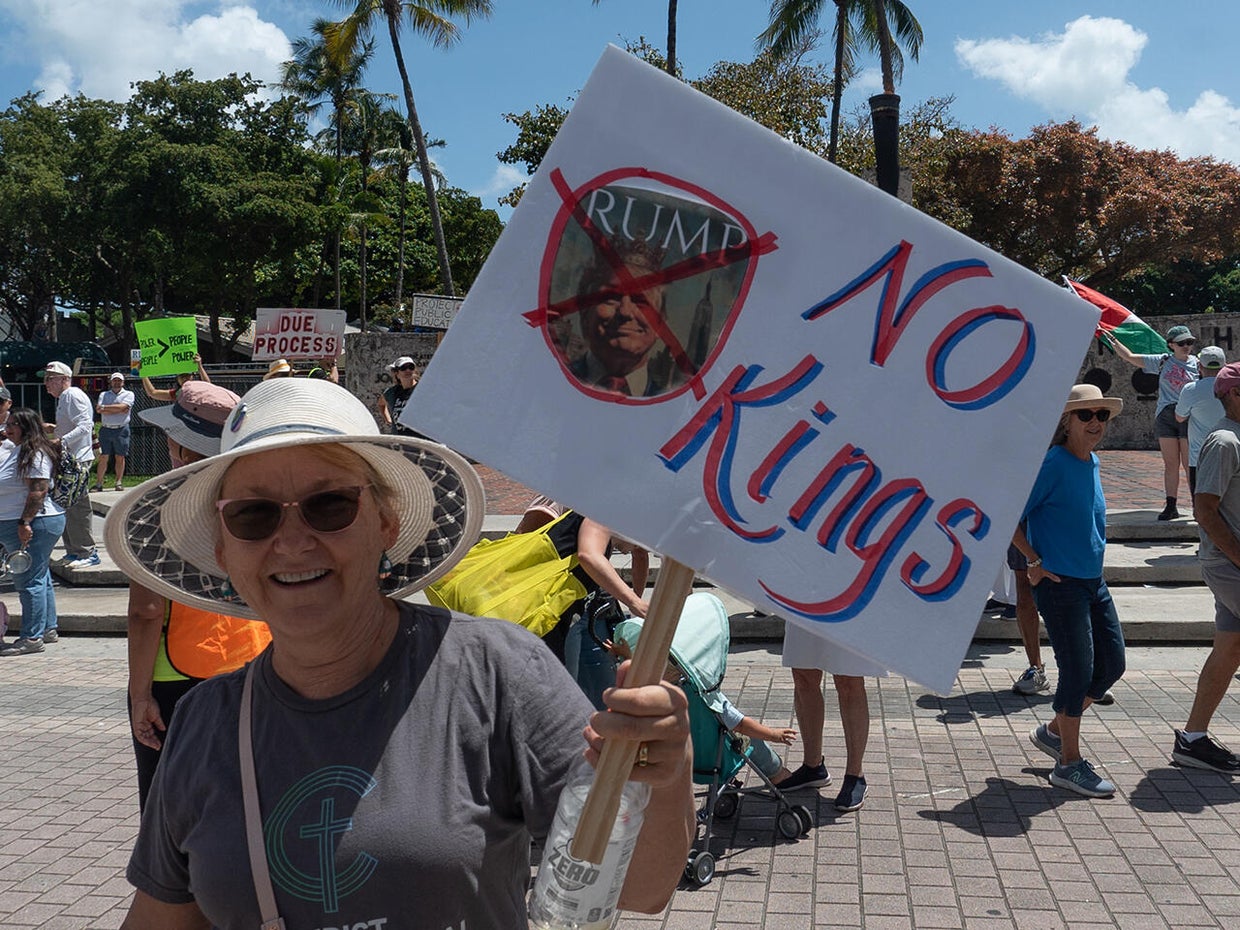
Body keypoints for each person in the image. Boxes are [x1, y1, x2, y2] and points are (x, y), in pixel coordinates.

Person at [104, 378, 694, 929]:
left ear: (386, 523)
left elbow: (640, 887)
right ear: (223, 550)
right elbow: (161, 917)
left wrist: (665, 767)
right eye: (252, 514)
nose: (293, 541)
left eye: (329, 504)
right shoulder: (204, 721)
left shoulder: (496, 671)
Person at [125, 381, 272, 809]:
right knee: (243, 796)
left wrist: (139, 695)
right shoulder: (259, 501)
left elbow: (147, 610)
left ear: (183, 446)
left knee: (171, 806)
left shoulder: (157, 510)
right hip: (255, 661)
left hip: (176, 674)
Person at [1015, 383, 1127, 798]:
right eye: (1086, 415)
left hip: (1093, 582)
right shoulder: (1053, 463)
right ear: (1067, 422)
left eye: (1102, 415)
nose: (1095, 422)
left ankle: (1053, 732)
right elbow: (1010, 515)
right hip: (1060, 585)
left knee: (1111, 665)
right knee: (1077, 672)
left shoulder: (1092, 461)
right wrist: (1033, 562)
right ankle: (1068, 763)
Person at [1173, 361, 1240, 773]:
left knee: (1230, 648)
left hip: (1231, 562)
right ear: (1233, 394)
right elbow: (1204, 509)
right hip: (1229, 563)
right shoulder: (1224, 441)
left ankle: (1192, 739)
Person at [561, 237, 687, 398]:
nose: (625, 312)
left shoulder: (673, 406)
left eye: (641, 301)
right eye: (611, 297)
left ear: (661, 322)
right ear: (585, 312)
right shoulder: (548, 381)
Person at [1104, 325, 1199, 519]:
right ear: (1171, 345)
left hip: (1189, 415)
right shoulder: (1163, 361)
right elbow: (1130, 357)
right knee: (1171, 463)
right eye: (1181, 343)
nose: (1186, 346)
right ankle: (1171, 505)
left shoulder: (1198, 363)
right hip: (1166, 415)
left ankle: (1197, 505)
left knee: (1189, 463)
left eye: (1189, 342)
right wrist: (1113, 340)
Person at [782, 631, 881, 812]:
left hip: (848, 615)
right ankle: (813, 766)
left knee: (848, 679)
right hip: (806, 612)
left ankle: (855, 774)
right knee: (803, 675)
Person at [0, 408, 67, 656]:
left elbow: (39, 490)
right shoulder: (19, 450)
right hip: (23, 522)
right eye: (7, 424)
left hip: (34, 523)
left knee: (29, 581)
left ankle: (31, 638)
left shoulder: (35, 453)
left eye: (12, 425)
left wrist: (25, 522)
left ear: (26, 427)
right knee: (39, 576)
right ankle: (47, 628)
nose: (7, 429)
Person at [43, 361, 98, 568]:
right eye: (46, 379)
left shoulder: (71, 395)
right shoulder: (66, 398)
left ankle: (86, 552)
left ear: (65, 379)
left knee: (77, 506)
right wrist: (56, 429)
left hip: (76, 461)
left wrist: (61, 441)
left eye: (51, 378)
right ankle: (75, 551)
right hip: (70, 460)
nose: (47, 383)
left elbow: (85, 425)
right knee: (66, 505)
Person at [1176, 345, 1227, 496]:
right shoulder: (1233, 388)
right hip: (1230, 453)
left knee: (1201, 503)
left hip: (1199, 456)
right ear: (1224, 365)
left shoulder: (1191, 389)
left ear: (1200, 366)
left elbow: (1179, 417)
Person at [95, 372, 135, 492]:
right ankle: (99, 483)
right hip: (106, 428)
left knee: (120, 456)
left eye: (119, 381)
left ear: (123, 382)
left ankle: (118, 482)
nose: (117, 383)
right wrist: (118, 408)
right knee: (103, 456)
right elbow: (99, 409)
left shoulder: (129, 394)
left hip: (121, 429)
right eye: (115, 380)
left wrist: (106, 408)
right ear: (111, 382)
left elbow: (124, 407)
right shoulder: (104, 394)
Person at [141, 354, 211, 402]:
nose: (184, 379)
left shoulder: (199, 390)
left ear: (192, 376)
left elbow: (208, 385)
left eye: (187, 375)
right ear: (177, 379)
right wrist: (143, 373)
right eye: (182, 376)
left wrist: (200, 367)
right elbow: (152, 393)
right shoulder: (177, 394)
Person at [377, 355, 419, 434]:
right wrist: (387, 419)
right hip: (400, 438)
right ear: (396, 373)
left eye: (411, 367)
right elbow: (381, 403)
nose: (408, 370)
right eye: (403, 368)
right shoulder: (392, 392)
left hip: (420, 439)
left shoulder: (421, 389)